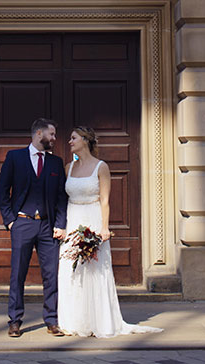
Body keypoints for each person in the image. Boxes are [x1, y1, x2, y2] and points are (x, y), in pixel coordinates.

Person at [57, 125, 163, 338]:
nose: (69, 142)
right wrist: (63, 227)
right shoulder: (68, 168)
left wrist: (104, 228)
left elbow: (105, 200)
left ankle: (100, 320)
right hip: (72, 218)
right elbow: (62, 199)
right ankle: (74, 321)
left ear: (85, 140)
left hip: (92, 218)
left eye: (73, 138)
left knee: (96, 269)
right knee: (71, 270)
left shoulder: (101, 167)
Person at [0, 117, 68, 338]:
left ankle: (52, 320)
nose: (55, 139)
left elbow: (61, 198)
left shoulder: (56, 163)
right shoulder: (14, 157)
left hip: (48, 226)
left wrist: (60, 224)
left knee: (51, 275)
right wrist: (10, 221)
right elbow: (3, 191)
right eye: (52, 134)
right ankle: (15, 320)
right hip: (22, 223)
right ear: (39, 134)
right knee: (18, 274)